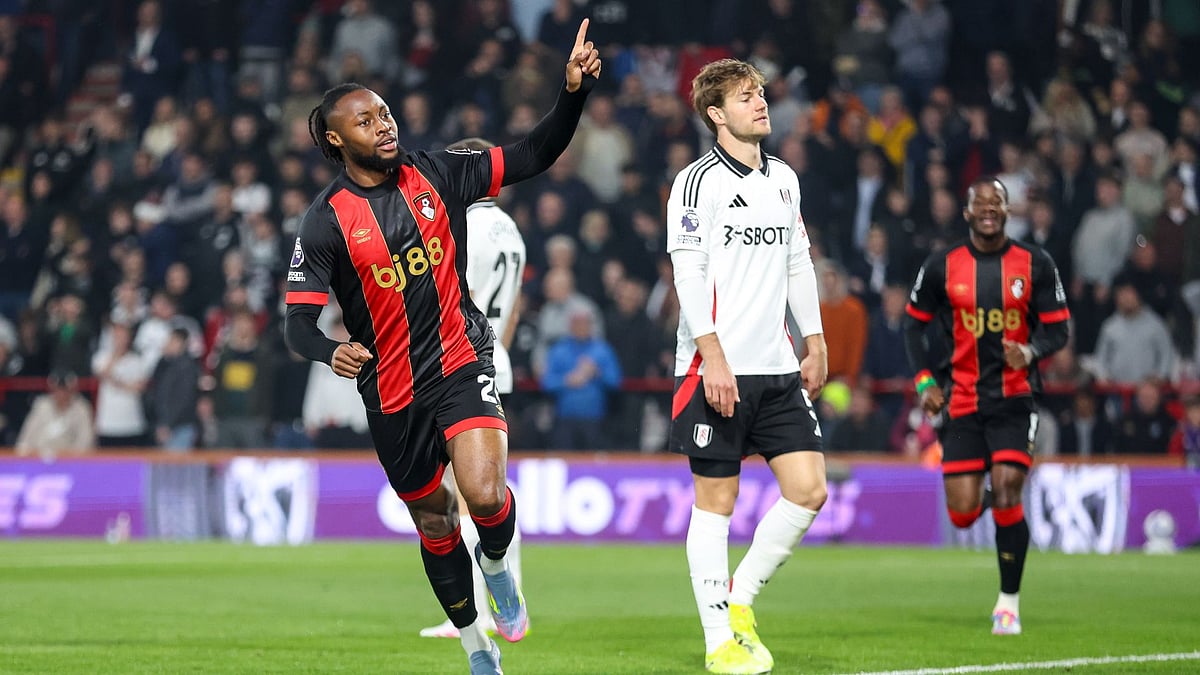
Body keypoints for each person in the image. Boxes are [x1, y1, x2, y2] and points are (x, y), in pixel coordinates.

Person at [283, 21, 600, 675]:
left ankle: (497, 566)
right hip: (391, 392)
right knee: (434, 522)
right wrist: (327, 350)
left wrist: (572, 94)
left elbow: (534, 152)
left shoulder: (439, 172)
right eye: (367, 121)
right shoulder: (324, 221)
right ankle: (476, 644)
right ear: (337, 139)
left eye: (385, 113)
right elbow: (296, 324)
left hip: (460, 360)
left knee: (484, 494)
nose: (384, 125)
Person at [666, 58, 827, 675]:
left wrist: (814, 339)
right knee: (717, 500)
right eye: (744, 97)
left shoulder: (784, 178)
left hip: (777, 365)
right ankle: (718, 642)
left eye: (760, 93)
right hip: (714, 367)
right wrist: (712, 357)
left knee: (809, 490)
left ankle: (740, 598)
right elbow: (688, 274)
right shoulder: (696, 183)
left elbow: (797, 262)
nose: (760, 103)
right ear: (716, 114)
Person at [904, 176, 1071, 636]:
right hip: (962, 400)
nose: (989, 210)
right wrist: (924, 382)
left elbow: (1059, 328)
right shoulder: (942, 266)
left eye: (997, 203)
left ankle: (1008, 603)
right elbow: (912, 326)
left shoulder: (1035, 263)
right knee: (962, 512)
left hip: (1015, 397)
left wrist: (1032, 351)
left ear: (1008, 210)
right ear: (967, 213)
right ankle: (999, 498)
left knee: (1009, 485)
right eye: (981, 204)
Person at [419, 136, 529, 640]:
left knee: (466, 494)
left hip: (460, 365)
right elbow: (515, 306)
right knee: (491, 493)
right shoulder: (511, 230)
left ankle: (477, 612)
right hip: (495, 358)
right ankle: (508, 598)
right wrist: (496, 350)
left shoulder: (461, 224)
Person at [15, 369, 95, 456]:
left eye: (65, 390)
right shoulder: (42, 405)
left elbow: (85, 441)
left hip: (68, 459)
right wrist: (24, 453)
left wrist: (71, 457)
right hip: (39, 458)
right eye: (57, 389)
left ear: (73, 390)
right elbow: (26, 437)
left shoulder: (81, 408)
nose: (61, 394)